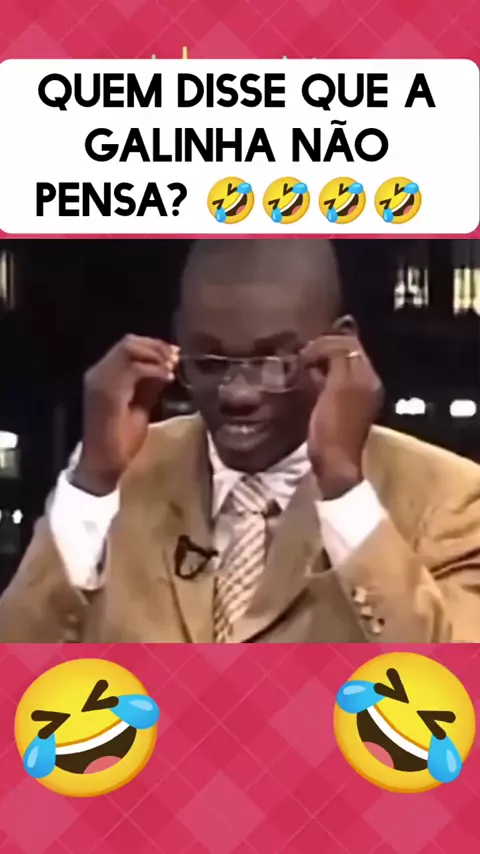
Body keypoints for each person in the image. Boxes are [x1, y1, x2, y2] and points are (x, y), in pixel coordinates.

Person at [1, 238, 480, 643]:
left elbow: (454, 699)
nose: (237, 394)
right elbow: (15, 677)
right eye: (209, 362)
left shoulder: (450, 498)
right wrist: (90, 486)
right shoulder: (116, 473)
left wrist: (344, 489)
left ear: (340, 347)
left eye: (274, 362)